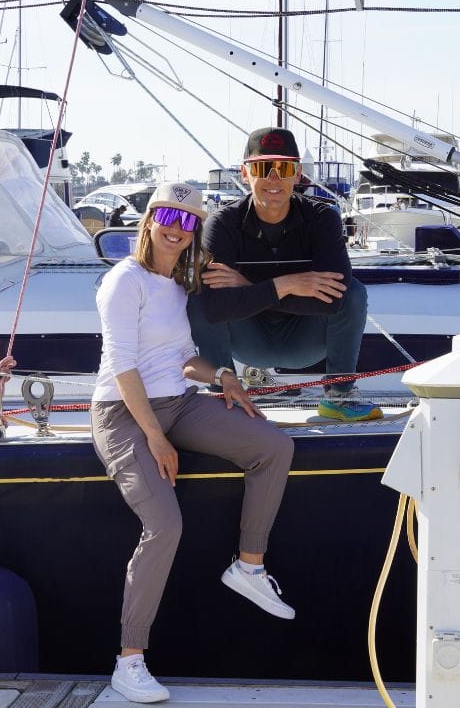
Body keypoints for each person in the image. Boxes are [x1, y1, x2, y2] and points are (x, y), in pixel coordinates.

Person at [91, 181, 296, 704]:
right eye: (168, 217)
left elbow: (184, 358)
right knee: (165, 526)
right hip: (124, 416)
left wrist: (223, 375)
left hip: (178, 402)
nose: (176, 229)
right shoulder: (124, 281)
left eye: (187, 222)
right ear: (149, 221)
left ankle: (249, 566)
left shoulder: (176, 286)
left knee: (274, 447)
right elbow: (123, 367)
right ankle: (129, 661)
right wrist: (156, 438)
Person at [188, 127, 381, 422]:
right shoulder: (223, 224)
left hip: (304, 340)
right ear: (245, 173)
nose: (274, 178)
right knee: (199, 294)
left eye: (284, 168)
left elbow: (335, 300)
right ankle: (223, 397)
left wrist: (248, 286)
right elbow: (214, 308)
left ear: (298, 174)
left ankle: (339, 395)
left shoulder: (322, 218)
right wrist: (288, 284)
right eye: (263, 168)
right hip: (249, 339)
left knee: (353, 293)